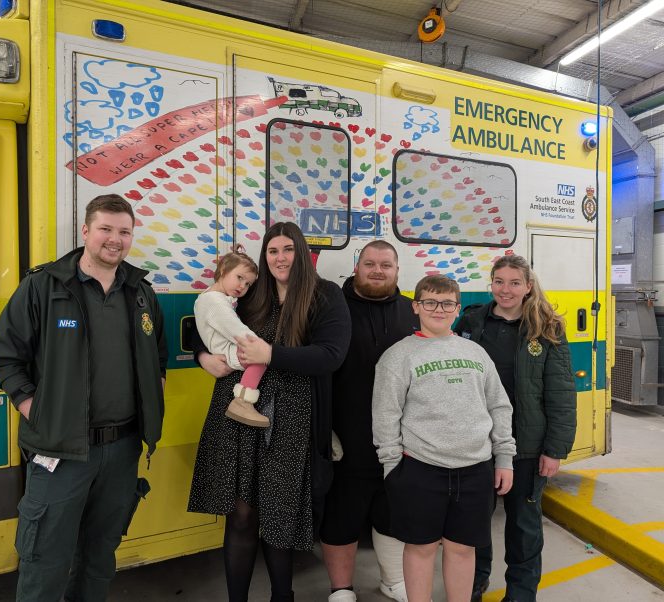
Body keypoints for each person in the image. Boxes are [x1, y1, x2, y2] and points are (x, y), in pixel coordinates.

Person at [0, 194, 167, 602]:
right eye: (106, 228)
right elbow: (5, 356)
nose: (115, 239)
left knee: (99, 559)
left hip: (122, 450)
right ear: (85, 231)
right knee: (45, 560)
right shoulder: (44, 287)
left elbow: (157, 354)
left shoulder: (140, 292)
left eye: (124, 231)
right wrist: (34, 408)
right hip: (61, 449)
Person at [188, 221, 351, 602]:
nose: (281, 258)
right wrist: (202, 356)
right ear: (265, 256)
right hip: (237, 415)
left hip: (293, 419)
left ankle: (282, 596)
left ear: (302, 253)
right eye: (273, 251)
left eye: (288, 249)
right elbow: (207, 317)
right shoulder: (249, 292)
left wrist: (271, 354)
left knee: (279, 517)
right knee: (241, 515)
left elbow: (332, 355)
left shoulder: (324, 295)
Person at [373, 274, 516, 602]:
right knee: (420, 549)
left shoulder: (476, 353)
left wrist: (504, 457)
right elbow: (385, 416)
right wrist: (392, 467)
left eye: (447, 303)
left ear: (457, 308)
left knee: (463, 549)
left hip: (476, 469)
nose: (439, 309)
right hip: (420, 470)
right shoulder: (398, 356)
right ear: (416, 307)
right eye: (430, 302)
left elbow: (499, 405)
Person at [455, 255, 576, 602]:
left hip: (527, 446)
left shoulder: (546, 328)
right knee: (473, 522)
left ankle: (520, 594)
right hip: (477, 443)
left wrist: (555, 449)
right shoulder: (471, 321)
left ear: (527, 286)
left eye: (513, 283)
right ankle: (473, 584)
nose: (505, 290)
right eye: (499, 281)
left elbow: (561, 393)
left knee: (523, 526)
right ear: (490, 283)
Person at [319, 241, 419, 602]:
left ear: (397, 270)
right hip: (345, 436)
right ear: (356, 266)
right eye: (370, 263)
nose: (378, 270)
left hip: (402, 440)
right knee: (342, 515)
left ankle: (392, 580)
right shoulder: (332, 308)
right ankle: (341, 588)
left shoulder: (414, 311)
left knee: (392, 512)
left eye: (386, 265)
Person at [194, 248, 269, 427]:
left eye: (248, 284)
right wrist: (259, 345)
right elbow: (235, 329)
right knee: (260, 360)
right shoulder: (215, 302)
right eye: (239, 278)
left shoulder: (210, 297)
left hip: (220, 349)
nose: (243, 286)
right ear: (223, 271)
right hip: (224, 352)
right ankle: (243, 402)